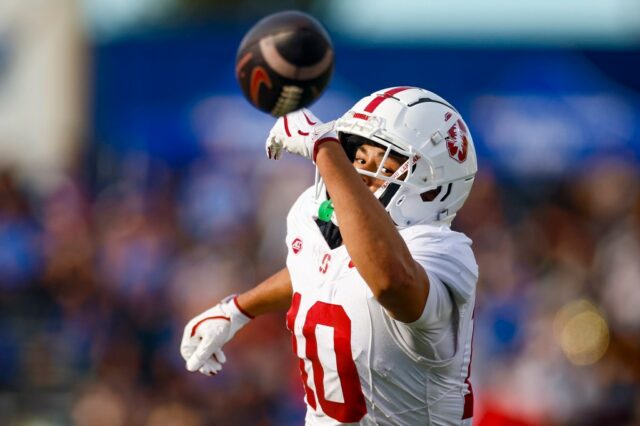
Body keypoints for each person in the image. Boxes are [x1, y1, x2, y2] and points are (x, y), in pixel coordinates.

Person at [180, 86, 479, 425]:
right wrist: (238, 308)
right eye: (357, 157)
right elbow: (320, 268)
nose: (355, 173)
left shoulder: (443, 252)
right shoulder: (313, 214)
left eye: (384, 165)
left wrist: (323, 146)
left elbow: (388, 281)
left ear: (432, 188)